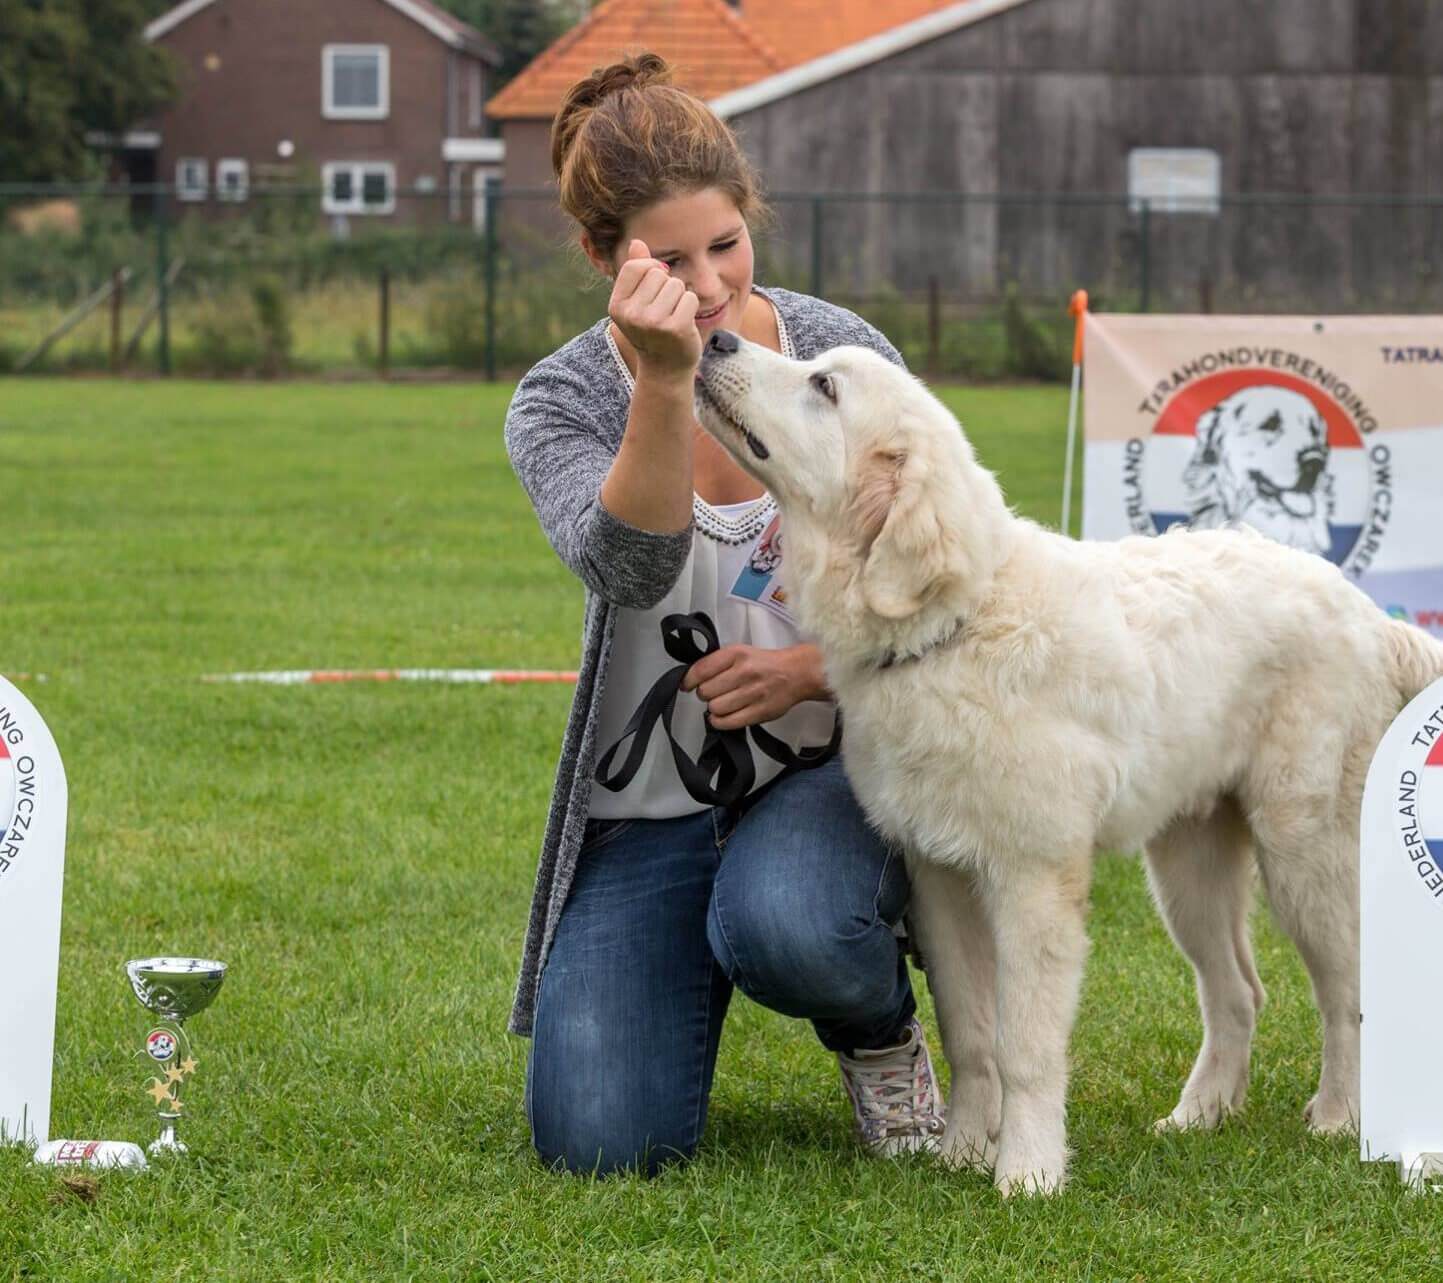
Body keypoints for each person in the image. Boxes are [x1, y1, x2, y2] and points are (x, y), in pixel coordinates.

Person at [504, 52, 944, 1177]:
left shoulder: (842, 354)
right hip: (652, 803)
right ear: (605, 258)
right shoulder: (562, 400)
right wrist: (662, 382)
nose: (707, 287)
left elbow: (948, 591)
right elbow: (636, 574)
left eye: (727, 244)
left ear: (750, 215)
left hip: (829, 768)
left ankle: (877, 1027)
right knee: (600, 1143)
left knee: (791, 925)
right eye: (668, 257)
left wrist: (808, 669)